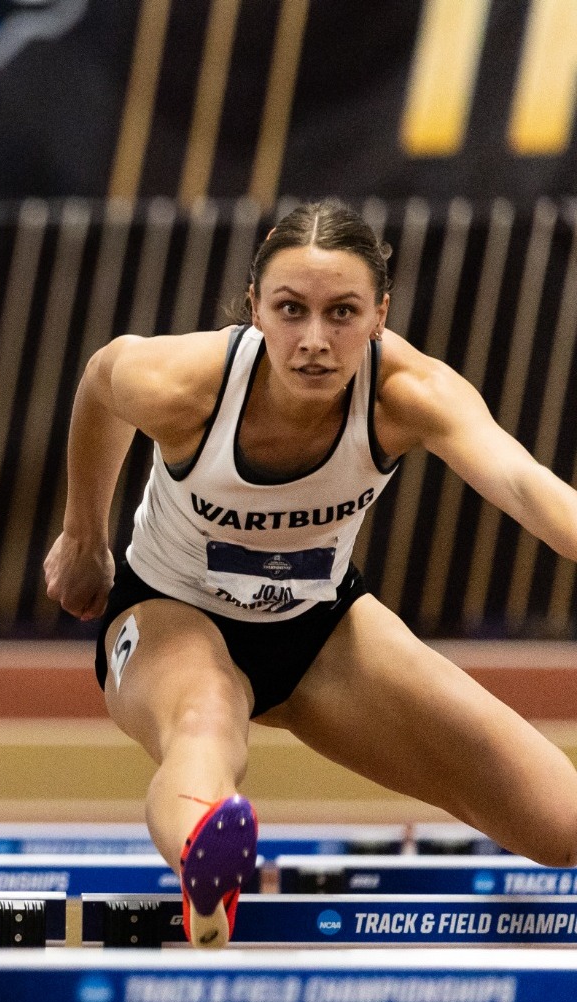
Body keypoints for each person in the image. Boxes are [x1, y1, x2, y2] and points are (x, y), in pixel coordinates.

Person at [46, 200, 577, 948]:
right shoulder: (187, 383)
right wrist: (83, 538)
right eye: (292, 311)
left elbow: (527, 487)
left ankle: (212, 838)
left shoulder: (408, 392)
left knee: (559, 824)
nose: (316, 342)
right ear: (256, 305)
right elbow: (102, 383)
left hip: (320, 628)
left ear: (379, 316)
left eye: (343, 313)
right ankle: (207, 857)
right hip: (171, 611)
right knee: (205, 721)